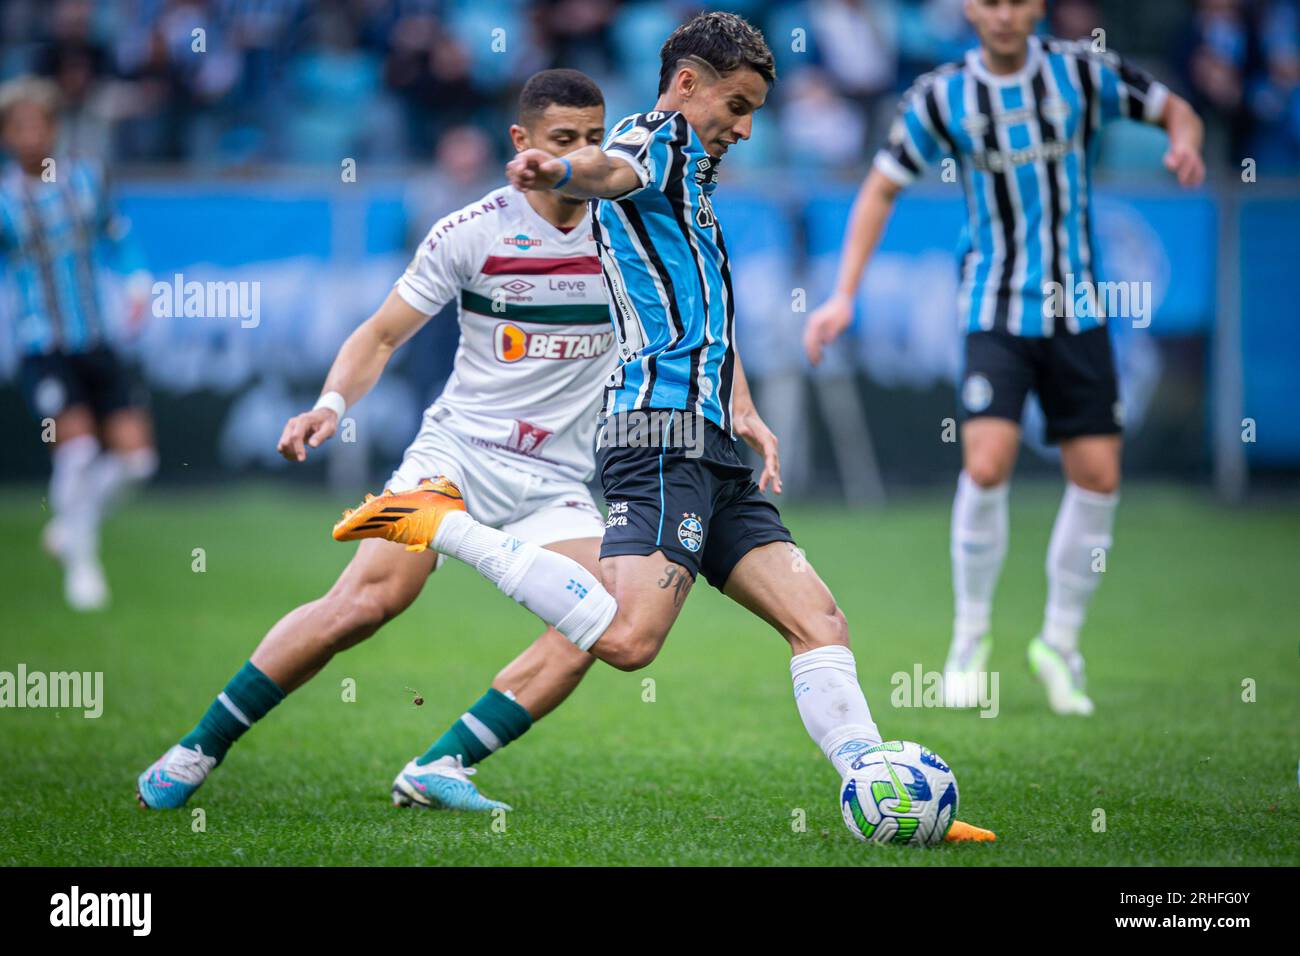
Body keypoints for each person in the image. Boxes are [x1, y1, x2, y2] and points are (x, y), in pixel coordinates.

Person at [335, 12, 993, 841]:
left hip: (711, 435)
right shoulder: (658, 143)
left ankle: (882, 787)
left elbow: (701, 302)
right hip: (657, 434)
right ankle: (444, 525)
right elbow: (607, 168)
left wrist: (742, 401)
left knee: (818, 621)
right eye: (738, 105)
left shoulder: (693, 170)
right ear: (688, 86)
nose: (746, 128)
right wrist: (558, 167)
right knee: (629, 640)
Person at [137, 69, 617, 812]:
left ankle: (441, 764)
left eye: (594, 140)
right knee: (362, 605)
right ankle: (198, 746)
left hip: (555, 479)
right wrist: (330, 404)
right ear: (520, 143)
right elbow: (382, 333)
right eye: (563, 140)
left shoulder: (632, 236)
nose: (581, 156)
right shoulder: (472, 231)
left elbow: (707, 320)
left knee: (602, 619)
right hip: (459, 458)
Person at [802, 0, 1206, 714]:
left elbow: (1177, 108)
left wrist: (1185, 142)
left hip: (1077, 308)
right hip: (993, 308)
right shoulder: (942, 94)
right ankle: (969, 641)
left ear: (1037, 7)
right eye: (988, 1)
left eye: (1016, 1)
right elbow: (881, 185)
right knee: (986, 463)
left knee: (1097, 476)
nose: (1003, 14)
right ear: (968, 8)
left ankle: (1060, 644)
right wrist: (841, 294)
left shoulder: (1081, 74)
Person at [0, 75, 156, 612]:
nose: (30, 136)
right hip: (42, 348)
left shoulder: (85, 183)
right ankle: (83, 570)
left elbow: (118, 237)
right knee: (80, 451)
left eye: (38, 124)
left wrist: (137, 281)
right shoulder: (3, 202)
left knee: (138, 464)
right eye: (18, 127)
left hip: (96, 339)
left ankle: (69, 526)